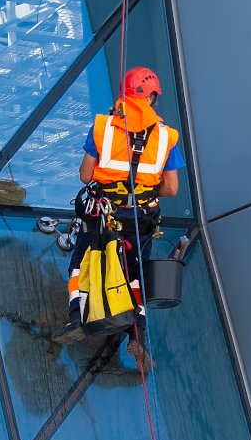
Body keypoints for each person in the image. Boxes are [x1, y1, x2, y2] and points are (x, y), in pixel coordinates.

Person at [52, 66, 185, 372]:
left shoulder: (104, 127)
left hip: (104, 214)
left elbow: (86, 175)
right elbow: (172, 187)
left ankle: (77, 318)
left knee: (82, 265)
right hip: (142, 217)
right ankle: (136, 334)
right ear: (152, 96)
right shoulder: (166, 137)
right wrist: (142, 190)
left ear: (125, 93)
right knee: (134, 272)